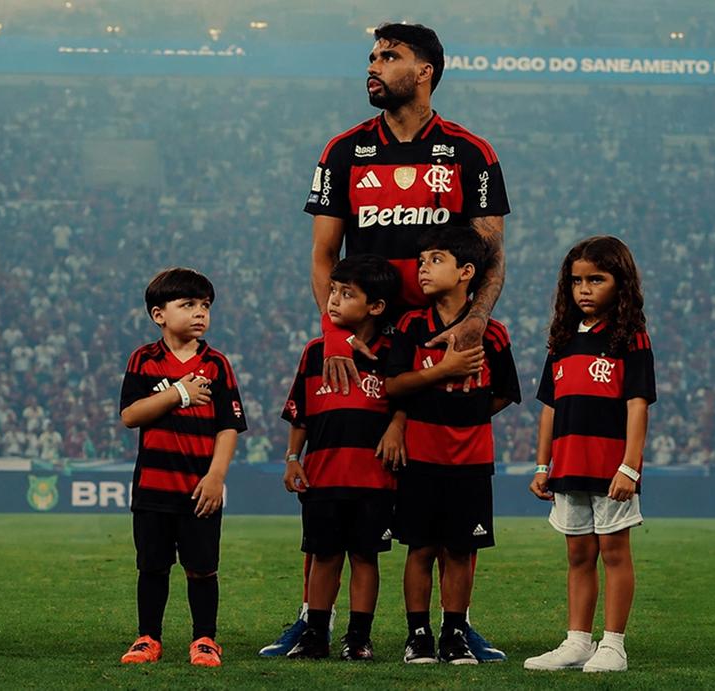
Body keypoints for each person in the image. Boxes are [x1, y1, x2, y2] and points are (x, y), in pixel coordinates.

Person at [265, 20, 512, 662]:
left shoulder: (470, 153)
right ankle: (311, 619)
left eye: (389, 56)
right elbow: (324, 256)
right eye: (372, 56)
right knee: (339, 484)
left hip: (434, 346)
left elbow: (491, 254)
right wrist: (337, 337)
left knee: (441, 488)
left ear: (425, 70)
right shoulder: (344, 150)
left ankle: (452, 625)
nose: (373, 66)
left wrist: (477, 318)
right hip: (361, 348)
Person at [383, 226, 520, 664]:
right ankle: (418, 635)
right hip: (420, 456)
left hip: (472, 459)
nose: (423, 267)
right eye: (422, 260)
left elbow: (503, 393)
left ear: (466, 272)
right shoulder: (410, 325)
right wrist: (444, 372)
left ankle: (455, 632)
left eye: (435, 259)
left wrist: (466, 415)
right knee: (419, 547)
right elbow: (392, 385)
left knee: (460, 549)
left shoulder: (492, 333)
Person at [526, 236, 655, 673]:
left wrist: (629, 467)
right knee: (578, 556)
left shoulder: (630, 339)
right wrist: (543, 464)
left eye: (596, 279)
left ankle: (613, 644)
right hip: (568, 467)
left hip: (609, 469)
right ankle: (577, 641)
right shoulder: (561, 340)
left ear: (620, 284)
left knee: (615, 553)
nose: (584, 289)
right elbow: (550, 407)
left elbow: (637, 405)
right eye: (577, 280)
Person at [277, 255, 405, 661]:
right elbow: (299, 410)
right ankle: (316, 634)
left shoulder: (393, 354)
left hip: (375, 478)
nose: (333, 300)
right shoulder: (316, 351)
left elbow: (406, 403)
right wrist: (293, 456)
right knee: (323, 555)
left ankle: (358, 637)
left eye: (346, 294)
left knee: (365, 556)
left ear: (376, 306)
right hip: (323, 474)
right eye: (333, 290)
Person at [118, 268, 248, 667]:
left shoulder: (218, 365)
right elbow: (130, 415)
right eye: (188, 304)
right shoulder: (143, 359)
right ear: (159, 315)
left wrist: (216, 477)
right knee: (152, 566)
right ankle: (147, 638)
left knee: (202, 568)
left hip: (200, 489)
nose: (200, 313)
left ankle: (205, 640)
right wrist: (179, 393)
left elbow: (229, 426)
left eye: (205, 306)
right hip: (153, 488)